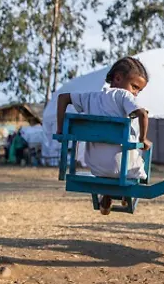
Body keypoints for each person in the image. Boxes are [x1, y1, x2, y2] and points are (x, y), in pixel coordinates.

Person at [54, 56, 152, 215]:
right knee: (138, 159)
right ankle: (126, 193)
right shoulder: (124, 96)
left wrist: (60, 129)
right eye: (134, 87)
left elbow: (63, 98)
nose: (135, 93)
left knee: (110, 158)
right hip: (123, 169)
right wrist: (143, 139)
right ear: (118, 78)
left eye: (139, 91)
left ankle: (106, 196)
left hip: (97, 168)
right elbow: (142, 114)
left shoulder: (90, 97)